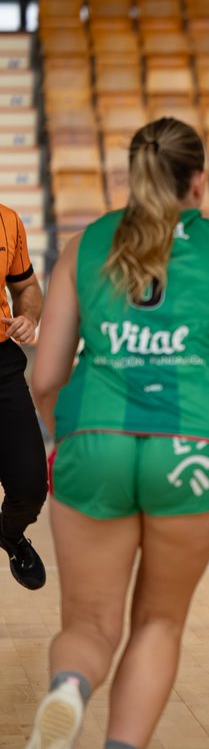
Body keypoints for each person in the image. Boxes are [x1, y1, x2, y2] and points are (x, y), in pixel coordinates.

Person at [28, 117, 209, 749]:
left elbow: (45, 377)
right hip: (195, 451)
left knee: (88, 625)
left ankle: (68, 690)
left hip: (93, 442)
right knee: (159, 623)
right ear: (199, 181)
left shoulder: (87, 244)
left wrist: (71, 440)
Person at [0, 203, 48, 590]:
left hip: (2, 365)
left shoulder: (8, 220)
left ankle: (11, 535)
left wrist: (28, 316)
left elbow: (26, 286)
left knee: (31, 488)